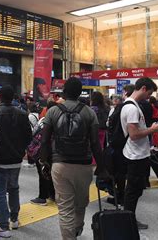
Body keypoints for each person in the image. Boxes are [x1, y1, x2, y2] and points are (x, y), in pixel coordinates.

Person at [39, 77, 110, 238]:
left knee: (65, 207)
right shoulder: (89, 112)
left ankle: (69, 236)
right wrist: (101, 166)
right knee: (80, 203)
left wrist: (44, 162)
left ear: (64, 92)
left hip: (60, 164)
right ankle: (77, 227)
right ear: (80, 93)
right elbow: (95, 144)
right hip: (84, 164)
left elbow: (44, 141)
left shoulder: (53, 111)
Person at [121, 77, 158, 230]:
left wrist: (150, 127)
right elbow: (134, 135)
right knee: (133, 191)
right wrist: (153, 130)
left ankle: (129, 219)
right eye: (149, 93)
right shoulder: (132, 108)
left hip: (138, 153)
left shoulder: (133, 105)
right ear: (143, 88)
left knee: (135, 190)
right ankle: (128, 221)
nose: (149, 97)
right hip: (135, 155)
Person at [0, 86, 32, 237]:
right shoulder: (22, 113)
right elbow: (28, 136)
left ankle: (3, 225)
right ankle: (14, 219)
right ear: (13, 97)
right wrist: (20, 150)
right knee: (14, 188)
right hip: (16, 159)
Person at [30, 101, 57, 206]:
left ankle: (42, 197)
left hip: (41, 151)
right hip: (55, 152)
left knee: (43, 174)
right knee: (51, 173)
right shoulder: (59, 121)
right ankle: (52, 194)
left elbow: (34, 134)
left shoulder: (43, 120)